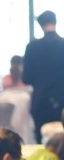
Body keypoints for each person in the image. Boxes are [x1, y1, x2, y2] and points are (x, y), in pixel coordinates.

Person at [23, 10, 64, 142]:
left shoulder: (32, 47)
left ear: (40, 25)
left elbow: (26, 78)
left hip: (40, 101)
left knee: (41, 140)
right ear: (55, 22)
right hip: (62, 99)